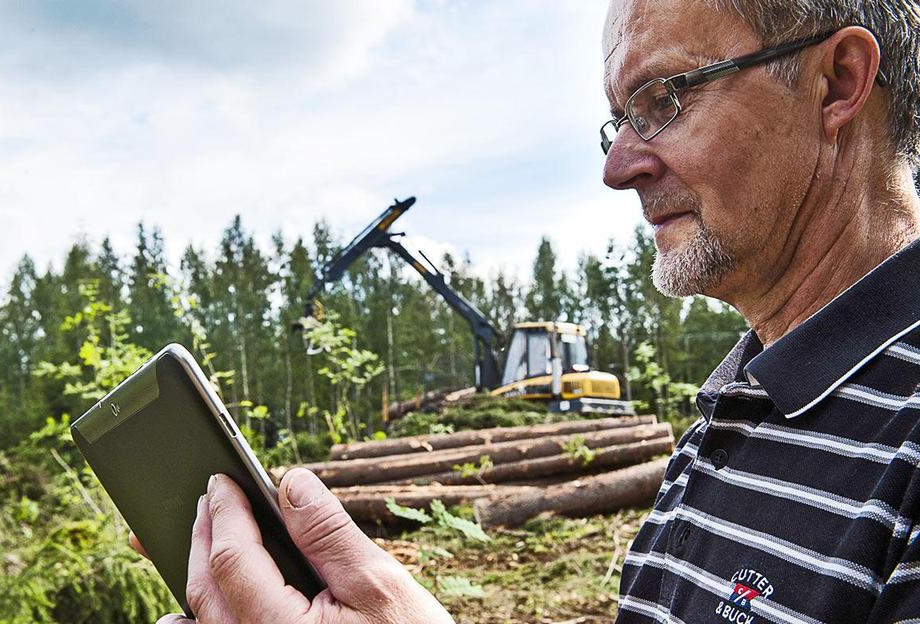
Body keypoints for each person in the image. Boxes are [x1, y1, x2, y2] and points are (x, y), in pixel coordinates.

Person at [141, 0, 920, 621]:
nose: (619, 168)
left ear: (838, 81)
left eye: (665, 98)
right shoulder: (731, 412)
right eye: (621, 118)